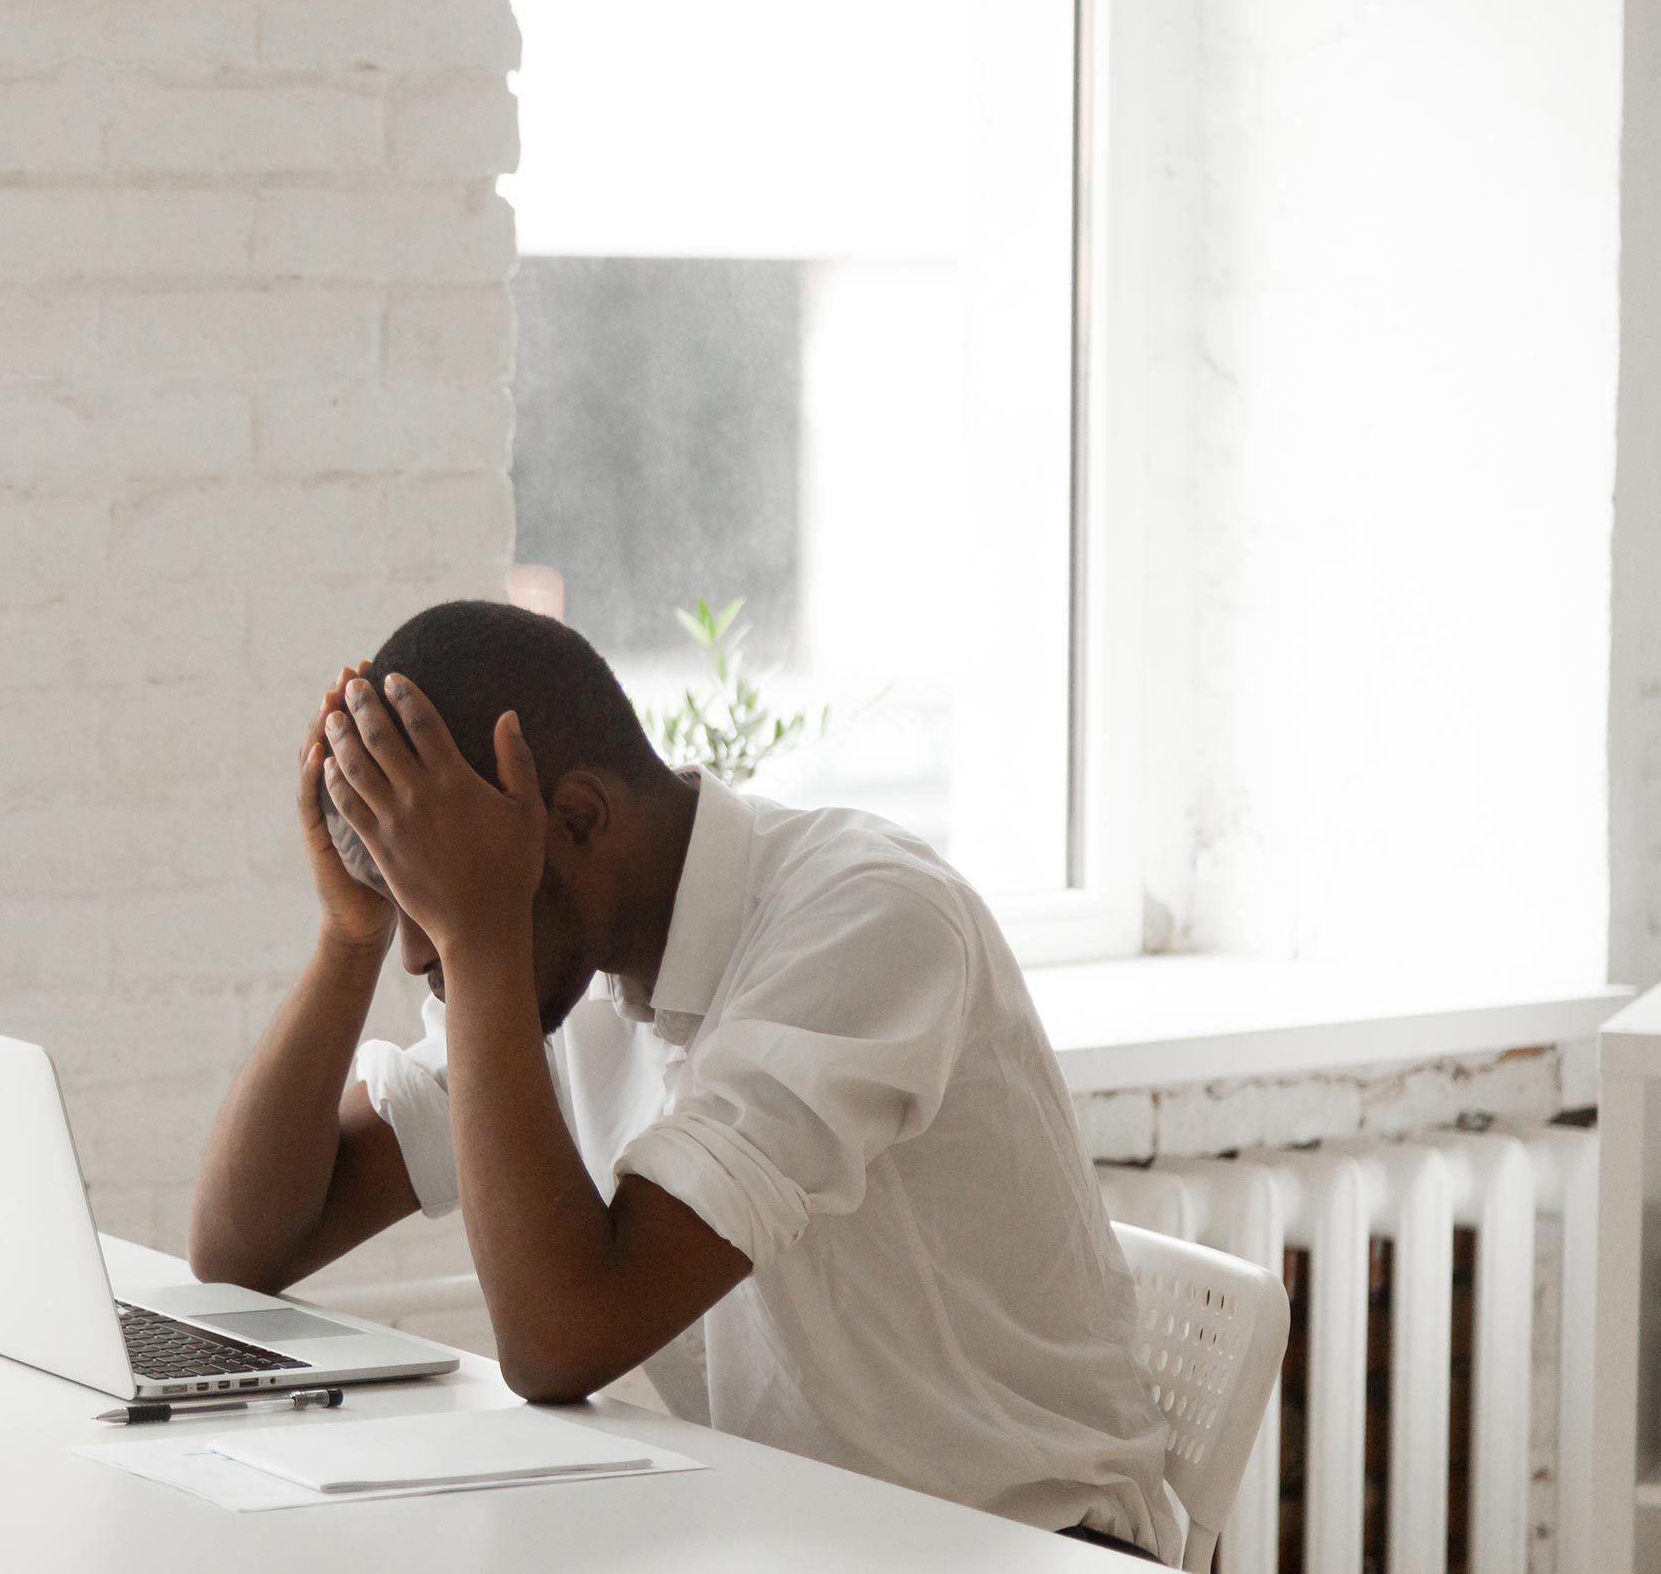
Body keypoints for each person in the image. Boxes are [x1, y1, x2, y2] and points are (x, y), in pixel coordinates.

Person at [189, 600, 1176, 1562]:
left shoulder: (867, 921)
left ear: (573, 817)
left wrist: (479, 936)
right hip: (786, 1531)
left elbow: (559, 1342)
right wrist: (349, 932)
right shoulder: (557, 962)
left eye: (436, 907)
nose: (421, 957)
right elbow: (246, 1245)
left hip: (1023, 1544)